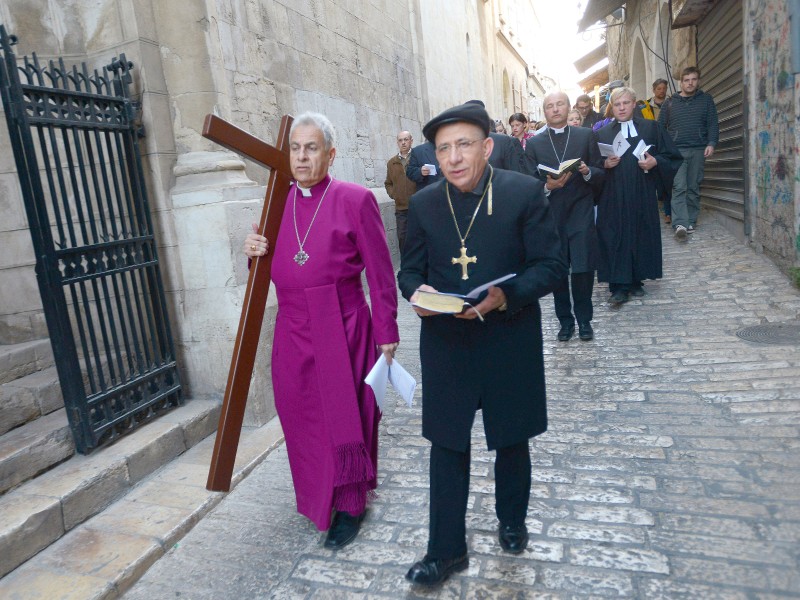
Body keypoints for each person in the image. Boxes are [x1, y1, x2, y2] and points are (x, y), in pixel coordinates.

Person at [397, 102, 566, 586]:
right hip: (447, 340)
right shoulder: (427, 202)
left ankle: (512, 520)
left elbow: (551, 266)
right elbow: (409, 269)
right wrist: (417, 292)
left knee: (512, 436)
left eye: (464, 144)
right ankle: (445, 550)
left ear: (487, 147)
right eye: (444, 148)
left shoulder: (524, 193)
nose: (453, 157)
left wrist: (505, 296)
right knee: (446, 442)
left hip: (508, 335)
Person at [243, 112, 400, 549]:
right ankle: (318, 495)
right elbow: (267, 270)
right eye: (295, 148)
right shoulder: (276, 203)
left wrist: (387, 331)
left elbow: (381, 271)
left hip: (344, 325)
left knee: (345, 417)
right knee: (302, 419)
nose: (301, 156)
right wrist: (253, 253)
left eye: (311, 148)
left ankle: (351, 504)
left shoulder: (353, 198)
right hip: (292, 330)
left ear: (331, 154)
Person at [524, 91, 604, 341]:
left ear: (568, 107)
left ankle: (584, 320)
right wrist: (548, 187)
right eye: (549, 106)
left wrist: (587, 171)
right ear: (544, 112)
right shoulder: (535, 144)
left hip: (580, 209)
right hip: (551, 214)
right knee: (558, 269)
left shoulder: (585, 135)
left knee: (582, 266)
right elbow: (528, 182)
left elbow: (601, 172)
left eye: (560, 104)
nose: (555, 109)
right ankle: (565, 321)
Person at [595, 88, 682, 305]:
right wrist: (604, 164)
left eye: (626, 103)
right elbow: (591, 165)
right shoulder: (602, 134)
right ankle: (618, 285)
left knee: (640, 232)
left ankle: (636, 280)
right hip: (612, 195)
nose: (622, 108)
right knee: (615, 235)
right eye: (617, 104)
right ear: (612, 107)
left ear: (635, 104)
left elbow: (672, 156)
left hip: (641, 191)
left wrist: (655, 162)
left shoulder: (651, 128)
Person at [659, 66, 718, 239]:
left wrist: (712, 143)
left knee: (693, 187)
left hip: (699, 149)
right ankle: (680, 224)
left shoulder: (706, 100)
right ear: (681, 82)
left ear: (698, 81)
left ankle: (691, 220)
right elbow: (660, 128)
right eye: (686, 80)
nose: (690, 83)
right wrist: (665, 150)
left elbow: (712, 124)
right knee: (679, 187)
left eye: (693, 79)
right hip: (676, 152)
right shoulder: (670, 103)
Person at [643, 79, 672, 223]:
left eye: (664, 88)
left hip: (669, 144)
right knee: (656, 179)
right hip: (652, 146)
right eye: (659, 88)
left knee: (667, 178)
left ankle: (668, 212)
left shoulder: (672, 103)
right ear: (654, 90)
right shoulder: (645, 106)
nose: (662, 91)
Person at [384, 130, 417, 250]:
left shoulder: (418, 157)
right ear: (397, 142)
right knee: (402, 239)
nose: (403, 143)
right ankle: (406, 267)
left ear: (411, 141)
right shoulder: (391, 163)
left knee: (419, 239)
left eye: (406, 139)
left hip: (418, 207)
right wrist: (394, 194)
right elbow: (388, 183)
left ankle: (422, 268)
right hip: (401, 209)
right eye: (400, 140)